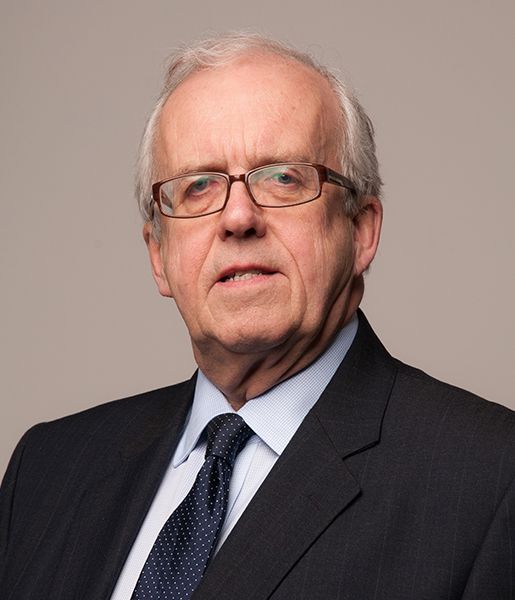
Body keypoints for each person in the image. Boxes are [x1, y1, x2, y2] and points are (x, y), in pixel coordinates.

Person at [1, 33, 514, 600]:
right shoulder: (45, 471)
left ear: (361, 230)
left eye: (283, 177)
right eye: (199, 186)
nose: (238, 218)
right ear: (159, 256)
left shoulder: (490, 477)